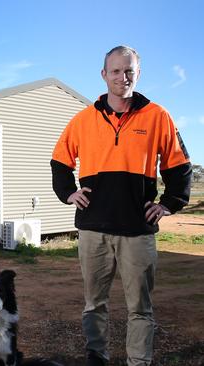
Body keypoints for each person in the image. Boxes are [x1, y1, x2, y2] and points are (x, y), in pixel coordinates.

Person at [50, 45, 192, 365]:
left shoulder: (158, 117)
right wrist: (68, 193)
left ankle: (137, 362)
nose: (122, 77)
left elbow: (180, 166)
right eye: (115, 71)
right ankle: (97, 357)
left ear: (137, 73)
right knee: (94, 304)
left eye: (128, 70)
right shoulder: (84, 119)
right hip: (93, 228)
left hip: (136, 229)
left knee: (139, 307)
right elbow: (60, 161)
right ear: (104, 75)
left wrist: (169, 203)